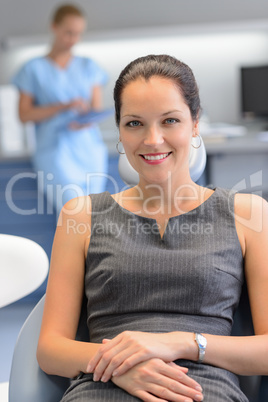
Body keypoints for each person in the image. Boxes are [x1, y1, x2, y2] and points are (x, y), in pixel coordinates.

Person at [36, 54, 268, 402]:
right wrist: (121, 365)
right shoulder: (81, 215)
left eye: (170, 120)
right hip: (100, 388)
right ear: (119, 130)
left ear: (194, 124)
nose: (153, 139)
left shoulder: (248, 214)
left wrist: (179, 341)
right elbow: (50, 349)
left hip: (201, 391)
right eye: (134, 124)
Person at [12, 4, 108, 213]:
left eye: (78, 34)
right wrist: (63, 106)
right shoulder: (32, 69)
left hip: (89, 151)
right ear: (54, 27)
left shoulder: (88, 66)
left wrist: (85, 119)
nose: (73, 39)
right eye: (68, 33)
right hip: (55, 153)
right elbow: (24, 115)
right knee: (72, 212)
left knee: (95, 216)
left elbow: (96, 109)